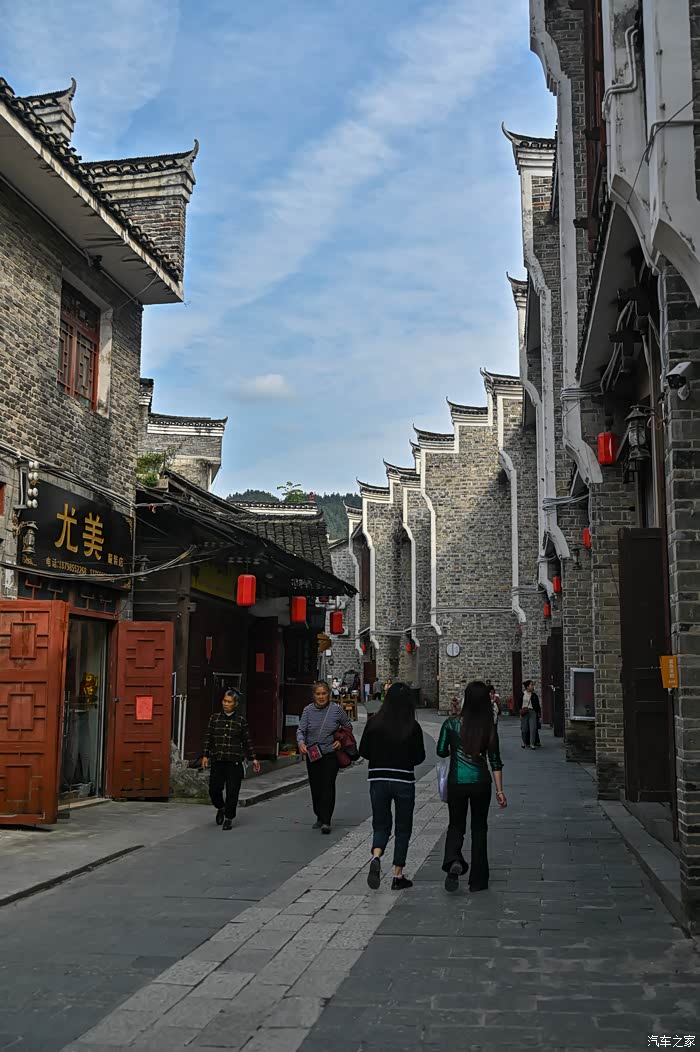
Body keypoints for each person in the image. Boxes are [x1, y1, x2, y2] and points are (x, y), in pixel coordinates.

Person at [437, 680, 507, 893]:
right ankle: (478, 880)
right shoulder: (488, 727)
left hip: (457, 781)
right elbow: (495, 760)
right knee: (479, 828)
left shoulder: (451, 724)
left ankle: (453, 859)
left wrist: (455, 747)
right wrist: (500, 791)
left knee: (456, 825)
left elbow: (441, 751)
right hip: (481, 782)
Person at [359, 682, 426, 891]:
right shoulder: (412, 726)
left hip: (378, 778)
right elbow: (420, 757)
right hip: (403, 780)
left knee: (381, 823)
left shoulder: (374, 722)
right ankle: (398, 875)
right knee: (403, 827)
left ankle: (376, 856)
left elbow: (363, 751)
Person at [297, 681, 352, 833]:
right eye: (318, 694)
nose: (321, 697)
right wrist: (301, 743)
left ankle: (326, 820)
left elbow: (347, 726)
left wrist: (340, 741)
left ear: (329, 694)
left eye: (324, 693)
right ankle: (319, 816)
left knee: (328, 785)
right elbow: (301, 730)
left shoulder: (337, 710)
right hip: (313, 754)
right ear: (313, 696)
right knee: (316, 787)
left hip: (330, 754)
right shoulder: (308, 710)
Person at [202, 689, 260, 830]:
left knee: (232, 791)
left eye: (229, 702)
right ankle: (220, 807)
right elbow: (208, 738)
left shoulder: (240, 721)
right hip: (218, 760)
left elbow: (247, 740)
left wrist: (253, 758)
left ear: (235, 704)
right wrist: (205, 755)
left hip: (234, 761)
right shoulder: (215, 719)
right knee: (214, 789)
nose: (226, 704)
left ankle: (229, 817)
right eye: (224, 701)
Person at [520, 679, 541, 749]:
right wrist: (520, 713)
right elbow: (519, 704)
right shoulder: (522, 694)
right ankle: (524, 742)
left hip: (532, 712)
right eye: (531, 685)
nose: (532, 686)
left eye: (533, 685)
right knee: (524, 728)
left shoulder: (534, 695)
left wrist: (538, 713)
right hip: (524, 712)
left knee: (533, 728)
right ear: (527, 687)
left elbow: (537, 705)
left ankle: (532, 744)